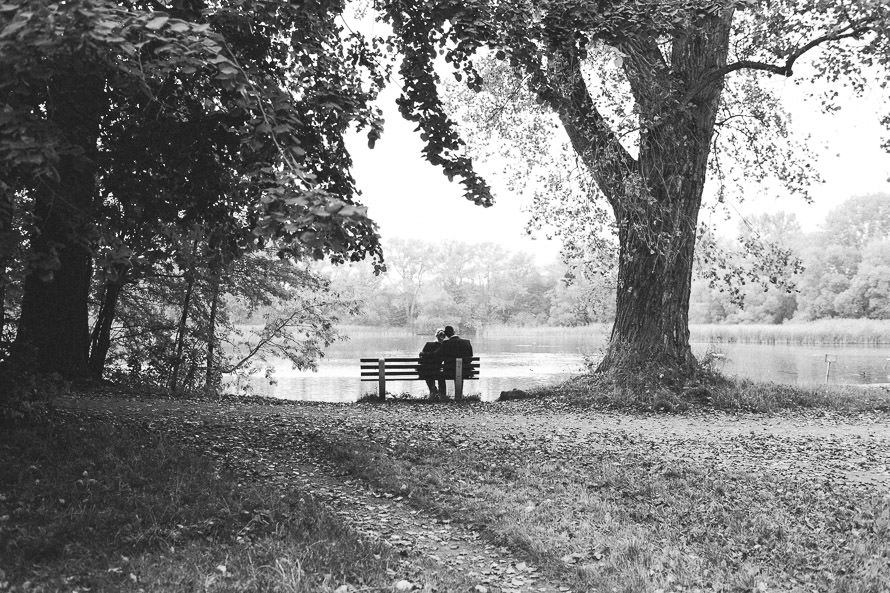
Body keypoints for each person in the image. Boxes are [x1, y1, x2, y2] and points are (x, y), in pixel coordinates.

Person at [435, 325, 474, 400]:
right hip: (465, 371)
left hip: (449, 371)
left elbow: (437, 355)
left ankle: (443, 396)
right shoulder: (466, 342)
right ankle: (459, 396)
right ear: (454, 332)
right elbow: (470, 358)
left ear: (446, 334)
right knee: (460, 372)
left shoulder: (446, 343)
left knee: (440, 375)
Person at [418, 328, 446, 399]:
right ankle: (442, 394)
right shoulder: (446, 346)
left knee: (428, 372)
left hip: (427, 370)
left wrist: (429, 355)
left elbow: (421, 355)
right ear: (444, 337)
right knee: (439, 373)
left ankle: (432, 390)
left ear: (436, 336)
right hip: (439, 370)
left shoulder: (428, 344)